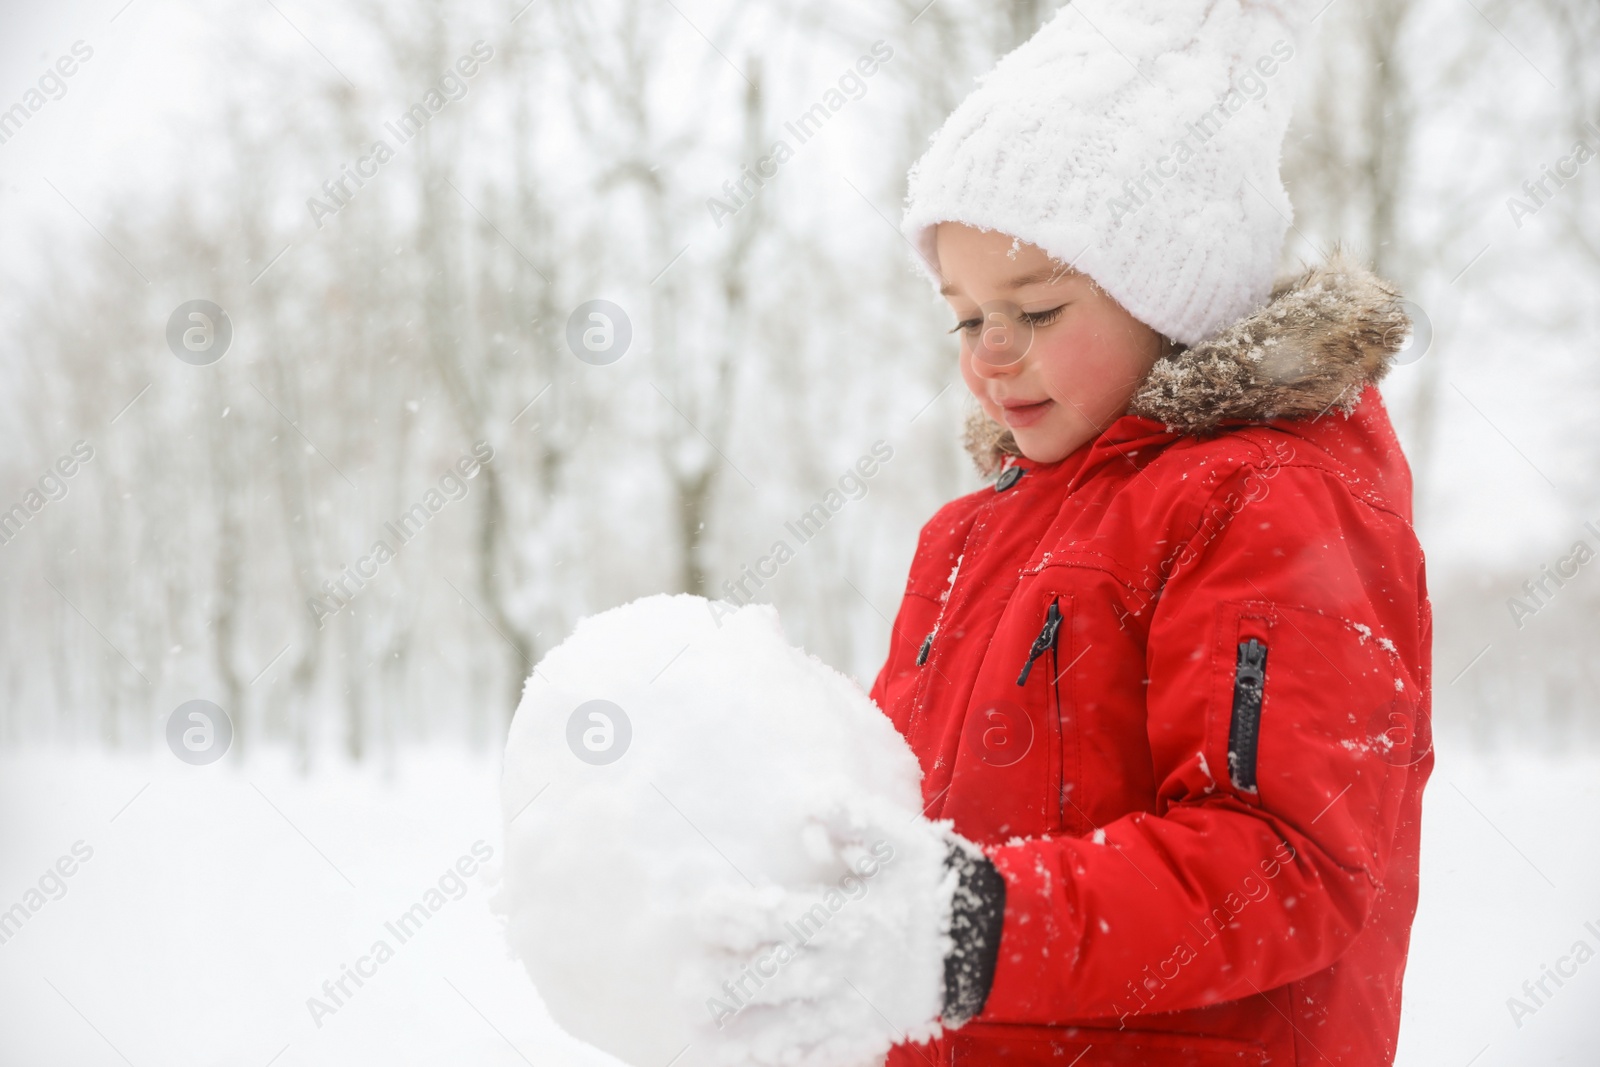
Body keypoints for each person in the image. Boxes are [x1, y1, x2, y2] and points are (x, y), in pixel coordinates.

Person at [871, 2, 1433, 1064]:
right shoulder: (968, 536)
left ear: (1170, 295)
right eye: (962, 314)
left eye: (1034, 311)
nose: (989, 353)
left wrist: (972, 925)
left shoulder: (1263, 502)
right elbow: (902, 823)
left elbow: (1283, 862)